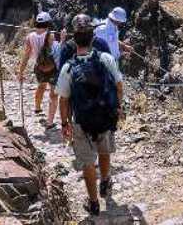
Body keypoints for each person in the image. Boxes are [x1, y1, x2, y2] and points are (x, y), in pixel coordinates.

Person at [57, 15, 124, 216]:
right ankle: (105, 181)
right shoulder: (106, 59)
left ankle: (93, 203)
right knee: (105, 151)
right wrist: (118, 108)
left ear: (74, 39)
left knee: (87, 162)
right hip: (105, 115)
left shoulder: (69, 67)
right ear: (93, 38)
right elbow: (119, 85)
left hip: (81, 121)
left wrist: (65, 123)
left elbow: (63, 99)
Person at [17, 12, 59, 129]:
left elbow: (26, 55)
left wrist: (21, 72)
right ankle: (50, 121)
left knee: (41, 86)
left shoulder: (30, 37)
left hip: (39, 68)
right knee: (53, 93)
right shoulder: (50, 35)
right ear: (48, 23)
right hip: (52, 68)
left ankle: (37, 107)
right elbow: (56, 53)